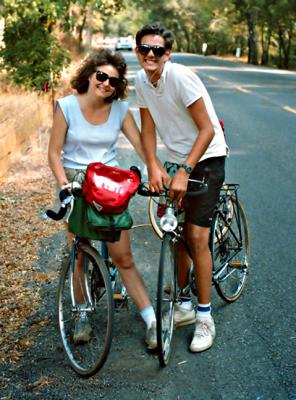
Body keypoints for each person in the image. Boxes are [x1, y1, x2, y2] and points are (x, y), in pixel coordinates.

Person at [48, 48, 157, 349]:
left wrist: (154, 169)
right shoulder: (67, 106)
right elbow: (54, 153)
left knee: (123, 257)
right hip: (76, 184)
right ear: (90, 74)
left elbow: (140, 146)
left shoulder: (120, 110)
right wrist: (63, 185)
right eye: (102, 76)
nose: (107, 83)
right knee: (79, 253)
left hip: (108, 185)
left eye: (113, 80)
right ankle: (82, 314)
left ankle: (151, 320)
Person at [134, 22, 228, 352]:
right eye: (145, 49)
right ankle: (184, 303)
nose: (150, 54)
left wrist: (185, 170)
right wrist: (153, 165)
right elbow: (147, 130)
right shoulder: (141, 82)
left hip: (207, 156)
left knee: (197, 236)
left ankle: (205, 318)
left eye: (157, 50)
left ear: (167, 54)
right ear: (137, 52)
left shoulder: (180, 77)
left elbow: (207, 128)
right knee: (175, 233)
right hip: (176, 159)